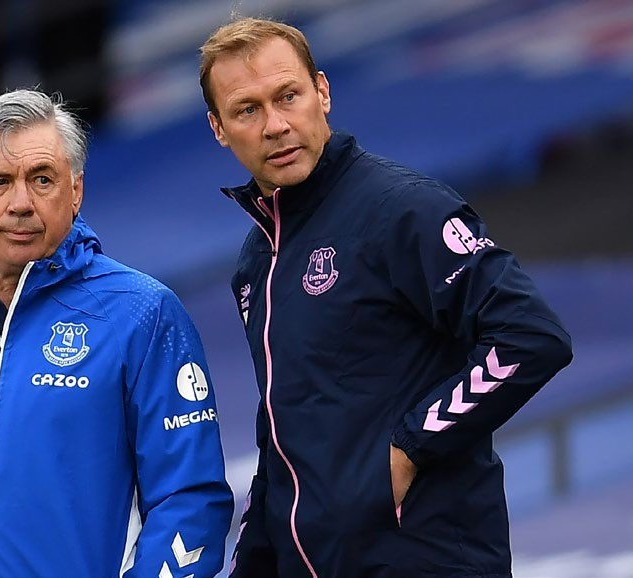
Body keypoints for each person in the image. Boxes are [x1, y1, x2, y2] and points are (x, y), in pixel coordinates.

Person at [199, 17, 573, 578]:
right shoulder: (257, 261)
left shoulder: (403, 210)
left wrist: (410, 447)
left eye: (288, 96)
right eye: (247, 110)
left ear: (322, 92)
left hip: (427, 557)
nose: (275, 125)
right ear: (219, 128)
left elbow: (530, 337)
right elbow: (281, 434)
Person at [0, 89, 233, 578]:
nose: (21, 203)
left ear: (76, 190)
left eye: (42, 179)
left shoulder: (141, 313)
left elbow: (189, 500)